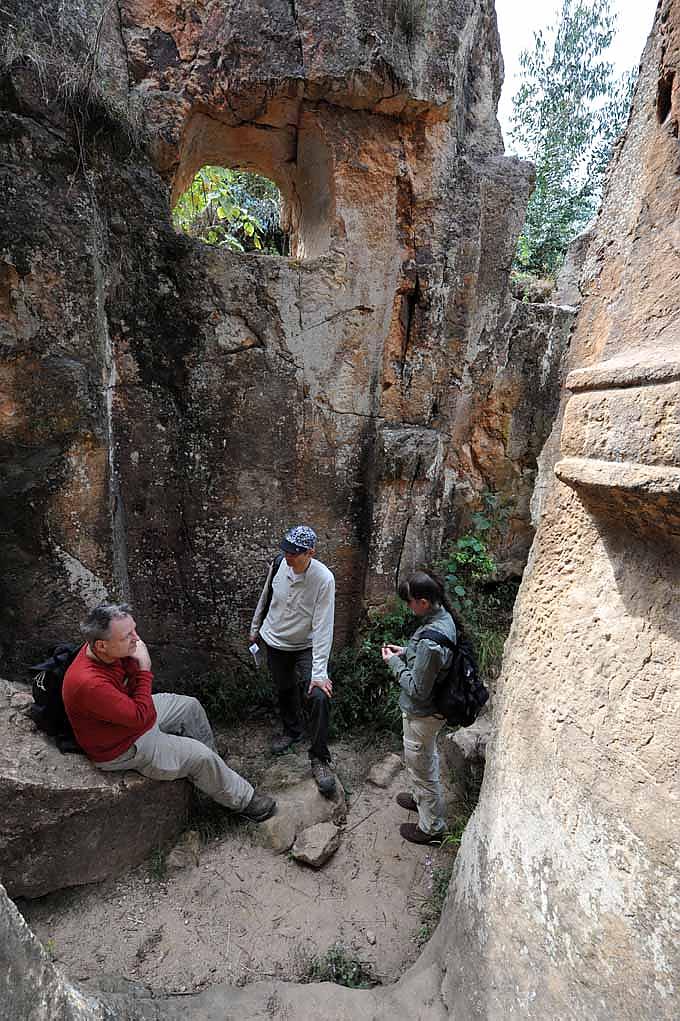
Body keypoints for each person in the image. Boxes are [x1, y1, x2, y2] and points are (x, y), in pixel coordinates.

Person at [63, 603, 276, 822]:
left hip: (131, 716)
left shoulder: (106, 650)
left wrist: (134, 665)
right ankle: (245, 801)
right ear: (101, 645)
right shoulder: (89, 683)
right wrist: (144, 668)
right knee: (199, 758)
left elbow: (133, 693)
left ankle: (217, 776)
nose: (137, 639)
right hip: (123, 744)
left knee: (190, 707)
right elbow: (139, 717)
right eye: (128, 636)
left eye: (134, 629)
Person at [249, 525, 336, 797]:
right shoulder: (279, 563)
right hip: (274, 640)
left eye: (294, 553)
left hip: (305, 645)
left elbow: (324, 627)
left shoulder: (323, 579)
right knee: (284, 688)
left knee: (319, 695)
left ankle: (320, 757)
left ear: (311, 552)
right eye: (285, 550)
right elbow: (266, 598)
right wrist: (254, 629)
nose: (288, 557)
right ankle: (292, 730)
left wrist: (319, 672)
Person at [381, 569, 457, 845]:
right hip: (433, 710)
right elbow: (430, 663)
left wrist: (394, 663)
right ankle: (419, 800)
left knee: (421, 769)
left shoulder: (430, 640)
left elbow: (417, 688)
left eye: (409, 601)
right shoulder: (443, 618)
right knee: (425, 758)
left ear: (423, 602)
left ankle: (432, 828)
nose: (408, 606)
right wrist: (407, 652)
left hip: (424, 713)